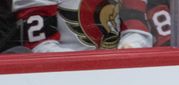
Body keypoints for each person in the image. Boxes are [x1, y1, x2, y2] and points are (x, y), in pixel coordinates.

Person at [12, 0, 152, 51]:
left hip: (118, 73)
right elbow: (39, 46)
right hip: (58, 79)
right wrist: (83, 64)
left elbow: (137, 29)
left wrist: (131, 47)